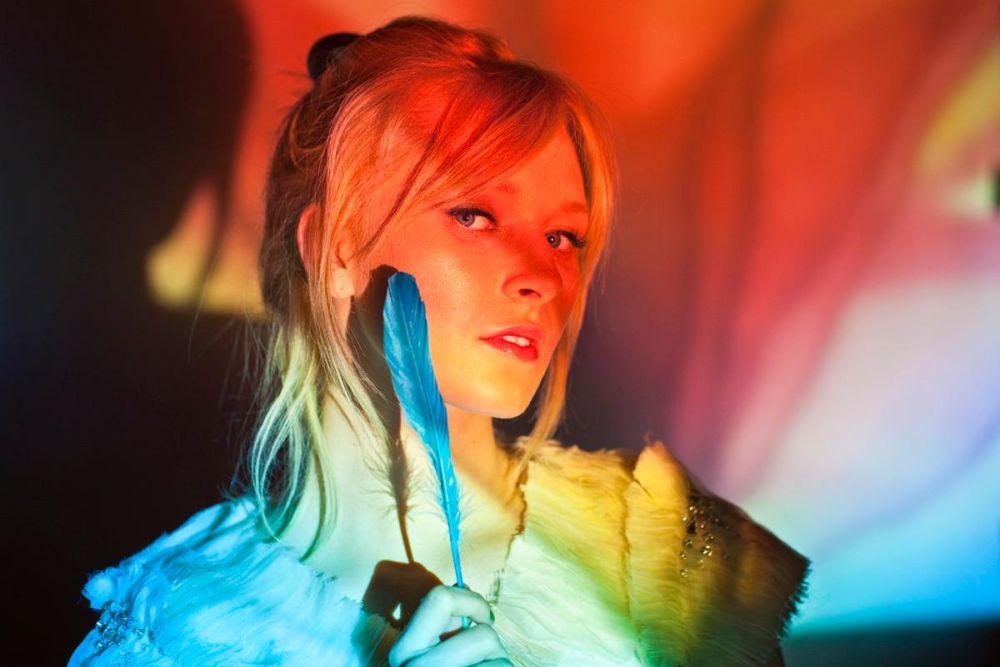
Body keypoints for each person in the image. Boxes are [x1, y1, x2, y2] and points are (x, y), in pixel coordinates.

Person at [70, 16, 807, 666]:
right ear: (333, 247)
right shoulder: (180, 632)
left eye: (563, 236)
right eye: (475, 215)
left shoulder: (668, 553)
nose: (543, 276)